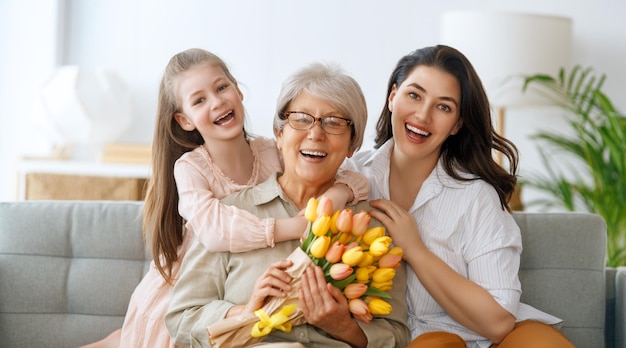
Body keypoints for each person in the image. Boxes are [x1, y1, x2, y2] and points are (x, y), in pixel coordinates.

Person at [81, 48, 369, 348]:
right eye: (199, 100)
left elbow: (344, 173)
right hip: (184, 285)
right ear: (185, 119)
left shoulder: (272, 151)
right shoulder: (192, 168)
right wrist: (294, 227)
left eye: (221, 88)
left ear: (238, 91)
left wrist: (336, 196)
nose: (216, 101)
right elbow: (217, 232)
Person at [342, 45, 575, 348]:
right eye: (414, 95)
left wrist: (415, 250)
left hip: (489, 339)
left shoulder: (476, 196)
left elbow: (499, 322)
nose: (423, 115)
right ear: (392, 97)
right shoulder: (351, 177)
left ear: (457, 125)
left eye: (444, 107)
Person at [166, 62, 411, 347]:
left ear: (351, 146)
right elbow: (181, 320)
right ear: (279, 134)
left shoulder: (374, 228)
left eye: (334, 122)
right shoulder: (232, 216)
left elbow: (398, 335)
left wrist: (344, 328)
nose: (316, 134)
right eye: (302, 119)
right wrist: (246, 312)